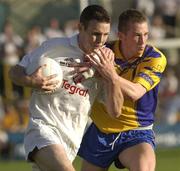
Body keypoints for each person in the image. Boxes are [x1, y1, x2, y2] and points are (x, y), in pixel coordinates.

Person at [8, 5, 123, 171]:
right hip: (42, 129)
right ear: (80, 27)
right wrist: (30, 81)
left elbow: (115, 111)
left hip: (71, 140)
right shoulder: (54, 47)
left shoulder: (105, 62)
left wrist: (110, 76)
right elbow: (14, 72)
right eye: (95, 34)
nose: (101, 41)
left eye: (105, 35)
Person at [78, 9, 167, 171]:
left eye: (146, 34)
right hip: (101, 129)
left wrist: (110, 74)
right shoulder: (103, 52)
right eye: (137, 35)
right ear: (121, 35)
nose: (143, 41)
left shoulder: (154, 58)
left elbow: (136, 92)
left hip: (136, 131)